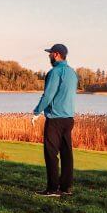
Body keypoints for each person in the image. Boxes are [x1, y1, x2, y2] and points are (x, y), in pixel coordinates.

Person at [31, 43, 77, 197]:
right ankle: (66, 187)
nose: (49, 56)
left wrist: (37, 111)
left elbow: (48, 95)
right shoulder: (72, 73)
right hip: (69, 118)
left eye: (50, 53)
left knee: (50, 153)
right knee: (66, 153)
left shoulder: (55, 72)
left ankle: (52, 189)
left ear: (56, 54)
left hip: (55, 118)